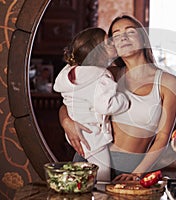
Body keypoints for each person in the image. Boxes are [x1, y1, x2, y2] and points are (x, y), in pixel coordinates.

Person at [58, 15, 176, 181]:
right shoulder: (106, 75)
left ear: (143, 39)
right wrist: (66, 121)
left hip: (131, 169)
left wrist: (137, 174)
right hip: (90, 158)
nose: (123, 37)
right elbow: (70, 102)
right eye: (116, 35)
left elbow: (163, 138)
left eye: (130, 32)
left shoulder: (167, 82)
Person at [53, 27, 130, 181]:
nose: (115, 43)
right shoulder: (102, 76)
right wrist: (125, 100)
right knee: (102, 177)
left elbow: (68, 101)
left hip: (83, 134)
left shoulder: (71, 73)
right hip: (93, 135)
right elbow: (105, 106)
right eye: (109, 41)